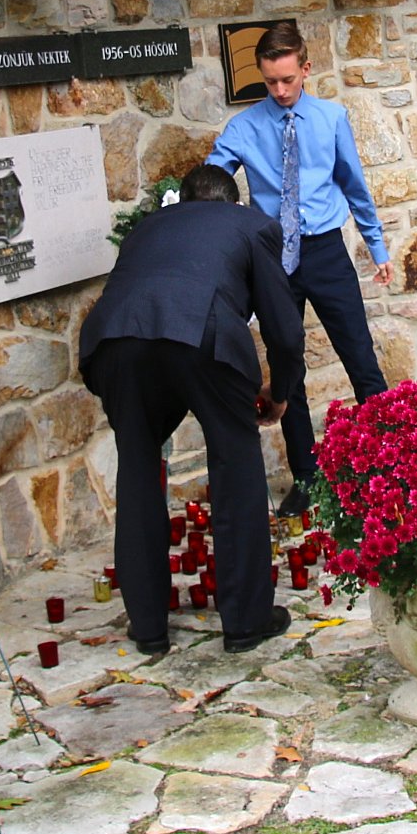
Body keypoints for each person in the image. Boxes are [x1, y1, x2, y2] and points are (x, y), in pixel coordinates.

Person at [79, 164, 305, 655]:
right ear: (232, 202)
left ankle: (149, 627)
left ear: (182, 202)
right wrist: (281, 391)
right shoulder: (251, 226)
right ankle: (245, 621)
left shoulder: (145, 228)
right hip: (202, 334)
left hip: (115, 343)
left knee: (138, 469)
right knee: (235, 460)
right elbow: (285, 330)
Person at [208, 20, 392, 515]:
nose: (281, 90)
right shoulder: (244, 128)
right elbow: (210, 186)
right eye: (271, 81)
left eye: (288, 79)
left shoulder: (331, 118)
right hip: (272, 261)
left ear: (305, 69)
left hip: (326, 252)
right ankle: (307, 478)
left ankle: (391, 470)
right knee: (287, 371)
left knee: (361, 358)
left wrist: (378, 248)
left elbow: (354, 185)